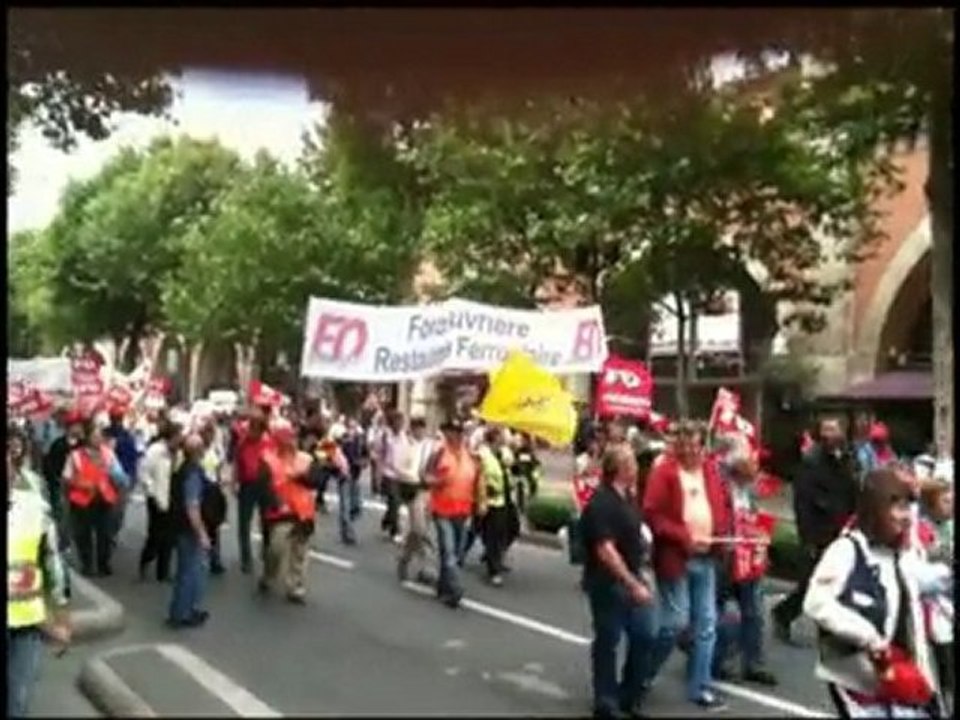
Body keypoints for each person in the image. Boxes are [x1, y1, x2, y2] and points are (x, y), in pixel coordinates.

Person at [803, 467, 941, 718]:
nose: (905, 517)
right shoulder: (847, 550)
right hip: (858, 682)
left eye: (907, 508)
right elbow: (816, 602)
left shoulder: (901, 555)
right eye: (897, 508)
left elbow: (927, 583)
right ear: (876, 509)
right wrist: (869, 637)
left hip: (899, 677)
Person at [642, 420, 730, 709]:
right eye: (686, 445)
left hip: (707, 557)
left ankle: (700, 687)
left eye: (696, 444)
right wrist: (683, 536)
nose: (692, 450)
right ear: (677, 446)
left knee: (707, 624)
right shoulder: (664, 472)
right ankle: (643, 671)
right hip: (676, 558)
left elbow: (721, 505)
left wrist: (722, 533)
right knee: (675, 623)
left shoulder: (711, 471)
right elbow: (653, 514)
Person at [580, 443, 657, 719]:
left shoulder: (628, 499)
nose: (637, 468)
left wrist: (642, 570)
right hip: (607, 583)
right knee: (608, 639)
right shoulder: (602, 503)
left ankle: (629, 694)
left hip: (633, 575)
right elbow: (605, 550)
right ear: (621, 469)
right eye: (633, 464)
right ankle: (606, 699)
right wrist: (631, 582)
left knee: (645, 635)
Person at [773, 416, 859, 644]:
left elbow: (852, 490)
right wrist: (807, 537)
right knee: (811, 582)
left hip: (840, 528)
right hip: (818, 529)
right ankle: (783, 614)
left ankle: (832, 629)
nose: (830, 434)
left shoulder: (847, 458)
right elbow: (803, 502)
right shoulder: (812, 462)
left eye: (834, 429)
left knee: (838, 581)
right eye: (826, 430)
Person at [8, 428, 73, 718]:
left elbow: (53, 562)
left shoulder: (34, 506)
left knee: (18, 700)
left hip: (26, 623)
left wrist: (62, 618)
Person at [712, 440, 778, 686]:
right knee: (718, 611)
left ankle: (754, 663)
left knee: (755, 611)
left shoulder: (749, 488)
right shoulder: (716, 485)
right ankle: (716, 660)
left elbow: (754, 516)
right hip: (724, 554)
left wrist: (760, 541)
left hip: (748, 556)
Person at [257, 420, 318, 604]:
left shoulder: (305, 459)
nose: (288, 441)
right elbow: (263, 485)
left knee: (299, 551)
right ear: (277, 440)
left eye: (290, 437)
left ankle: (295, 586)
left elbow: (316, 480)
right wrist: (271, 503)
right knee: (276, 549)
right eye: (284, 438)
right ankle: (269, 574)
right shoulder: (268, 459)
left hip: (303, 512)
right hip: (280, 512)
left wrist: (301, 477)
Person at [63, 414, 129, 577]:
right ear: (87, 437)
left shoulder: (108, 454)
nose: (99, 439)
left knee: (105, 534)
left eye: (100, 436)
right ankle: (87, 564)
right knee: (83, 534)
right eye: (95, 436)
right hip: (82, 500)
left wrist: (119, 479)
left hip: (104, 499)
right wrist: (80, 483)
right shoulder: (76, 455)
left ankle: (103, 563)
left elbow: (119, 475)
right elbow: (67, 477)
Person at [425, 417, 480, 608]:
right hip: (442, 510)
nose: (455, 436)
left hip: (463, 510)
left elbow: (476, 481)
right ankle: (455, 591)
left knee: (456, 553)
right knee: (449, 552)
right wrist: (437, 481)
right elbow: (425, 476)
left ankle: (443, 586)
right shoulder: (439, 453)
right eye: (451, 432)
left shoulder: (470, 455)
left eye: (458, 432)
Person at [916, 468, 954, 713]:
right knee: (938, 660)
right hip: (931, 604)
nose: (951, 505)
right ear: (931, 503)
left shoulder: (948, 526)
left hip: (947, 599)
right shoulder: (920, 529)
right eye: (946, 500)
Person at [166, 434, 212, 629]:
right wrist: (202, 533)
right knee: (190, 570)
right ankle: (183, 612)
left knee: (187, 569)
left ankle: (184, 609)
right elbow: (192, 506)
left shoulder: (180, 469)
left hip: (179, 525)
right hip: (188, 528)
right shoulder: (192, 474)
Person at [138, 421, 182, 582]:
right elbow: (144, 473)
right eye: (177, 437)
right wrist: (152, 492)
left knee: (169, 537)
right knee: (155, 535)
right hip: (156, 497)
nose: (180, 441)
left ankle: (163, 572)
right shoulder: (155, 451)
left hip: (171, 497)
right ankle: (145, 560)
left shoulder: (177, 453)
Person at [396, 417, 436, 584]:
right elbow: (399, 468)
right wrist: (415, 477)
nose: (419, 431)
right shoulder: (404, 445)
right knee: (420, 529)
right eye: (416, 428)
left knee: (416, 530)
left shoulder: (431, 446)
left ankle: (404, 560)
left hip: (428, 490)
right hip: (413, 489)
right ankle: (427, 567)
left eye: (422, 428)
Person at [475, 426, 516, 587]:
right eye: (501, 437)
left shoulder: (503, 452)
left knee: (512, 528)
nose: (503, 439)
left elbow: (511, 464)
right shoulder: (482, 454)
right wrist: (482, 498)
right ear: (494, 438)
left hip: (505, 498)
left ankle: (494, 555)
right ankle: (494, 569)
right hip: (491, 500)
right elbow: (480, 477)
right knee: (494, 535)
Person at [233, 410, 272, 574]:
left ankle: (266, 551)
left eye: (255, 426)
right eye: (251, 426)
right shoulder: (243, 442)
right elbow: (237, 461)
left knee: (267, 521)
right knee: (244, 523)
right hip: (247, 485)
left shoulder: (268, 443)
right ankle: (246, 559)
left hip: (265, 485)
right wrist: (235, 481)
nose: (252, 430)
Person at [103, 405, 141, 543]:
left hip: (112, 478)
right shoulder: (125, 437)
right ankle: (109, 535)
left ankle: (108, 534)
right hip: (116, 479)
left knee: (113, 511)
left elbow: (133, 459)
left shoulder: (105, 435)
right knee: (116, 511)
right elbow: (133, 460)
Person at [199, 420, 228, 575]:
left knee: (214, 527)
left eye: (211, 433)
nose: (209, 436)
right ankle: (202, 557)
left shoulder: (215, 450)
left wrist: (221, 482)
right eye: (207, 433)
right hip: (201, 490)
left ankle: (215, 559)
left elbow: (219, 468)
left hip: (213, 490)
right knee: (202, 524)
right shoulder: (198, 450)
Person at [379, 410, 406, 544]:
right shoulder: (386, 436)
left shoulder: (404, 436)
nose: (400, 424)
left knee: (395, 503)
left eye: (401, 422)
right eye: (397, 422)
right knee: (395, 502)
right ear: (392, 423)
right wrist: (379, 474)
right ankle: (396, 530)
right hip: (389, 474)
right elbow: (381, 454)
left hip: (401, 474)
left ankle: (386, 520)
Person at [339, 416, 368, 521]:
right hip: (344, 474)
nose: (351, 430)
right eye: (349, 427)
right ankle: (347, 527)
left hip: (356, 472)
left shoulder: (360, 440)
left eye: (353, 427)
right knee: (345, 503)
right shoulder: (342, 439)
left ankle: (355, 509)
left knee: (355, 493)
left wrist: (363, 462)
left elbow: (365, 454)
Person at [510, 432, 542, 518]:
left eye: (525, 440)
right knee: (520, 492)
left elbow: (536, 464)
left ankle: (531, 508)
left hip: (529, 476)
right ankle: (521, 509)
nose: (523, 442)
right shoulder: (518, 451)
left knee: (531, 491)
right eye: (522, 440)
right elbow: (513, 463)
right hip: (520, 477)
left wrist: (535, 471)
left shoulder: (530, 452)